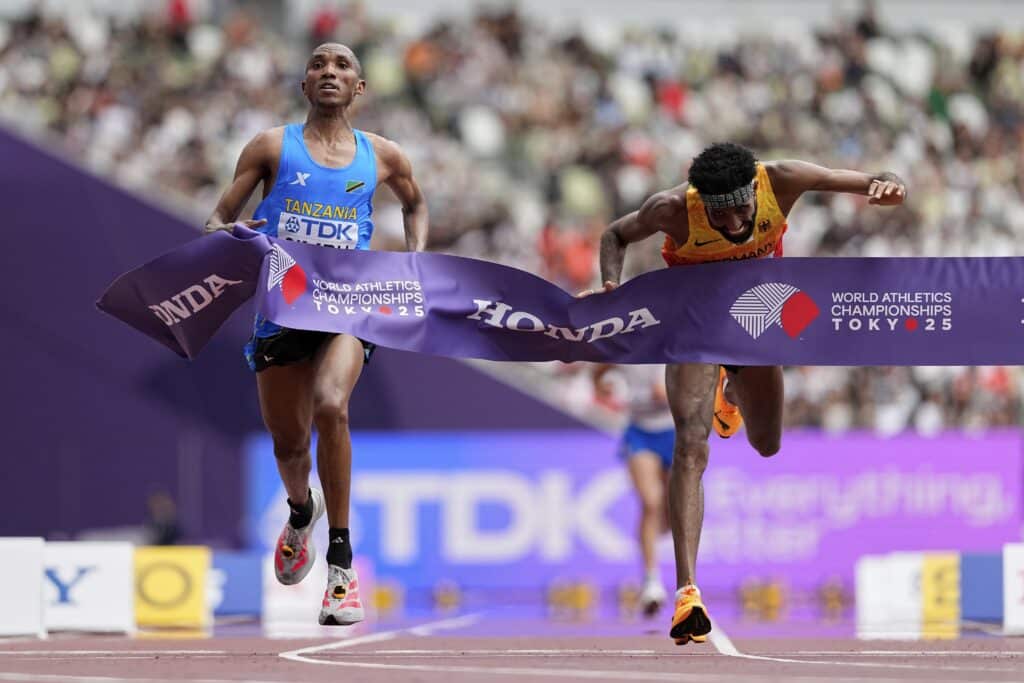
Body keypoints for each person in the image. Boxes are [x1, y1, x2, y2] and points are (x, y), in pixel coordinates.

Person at [582, 142, 905, 644]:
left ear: (754, 189)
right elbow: (614, 235)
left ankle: (729, 394)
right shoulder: (672, 209)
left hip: (758, 316)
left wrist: (887, 185)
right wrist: (609, 286)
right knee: (690, 444)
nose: (732, 220)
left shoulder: (783, 179)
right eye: (719, 212)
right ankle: (687, 591)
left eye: (740, 207)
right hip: (693, 319)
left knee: (767, 442)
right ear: (701, 201)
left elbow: (869, 178)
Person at [204, 43, 428, 625]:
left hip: (348, 305)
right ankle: (302, 512)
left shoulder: (383, 156)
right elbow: (217, 218)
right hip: (283, 306)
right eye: (319, 65)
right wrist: (230, 234)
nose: (330, 71)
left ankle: (341, 569)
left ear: (360, 88)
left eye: (343, 66)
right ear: (305, 83)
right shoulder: (271, 147)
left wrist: (415, 259)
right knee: (289, 445)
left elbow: (416, 204)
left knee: (332, 406)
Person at [593, 364, 674, 616]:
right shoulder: (628, 342)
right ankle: (651, 582)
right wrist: (601, 386)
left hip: (675, 428)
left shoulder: (675, 342)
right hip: (639, 431)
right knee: (650, 503)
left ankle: (655, 534)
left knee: (675, 510)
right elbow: (598, 365)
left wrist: (670, 392)